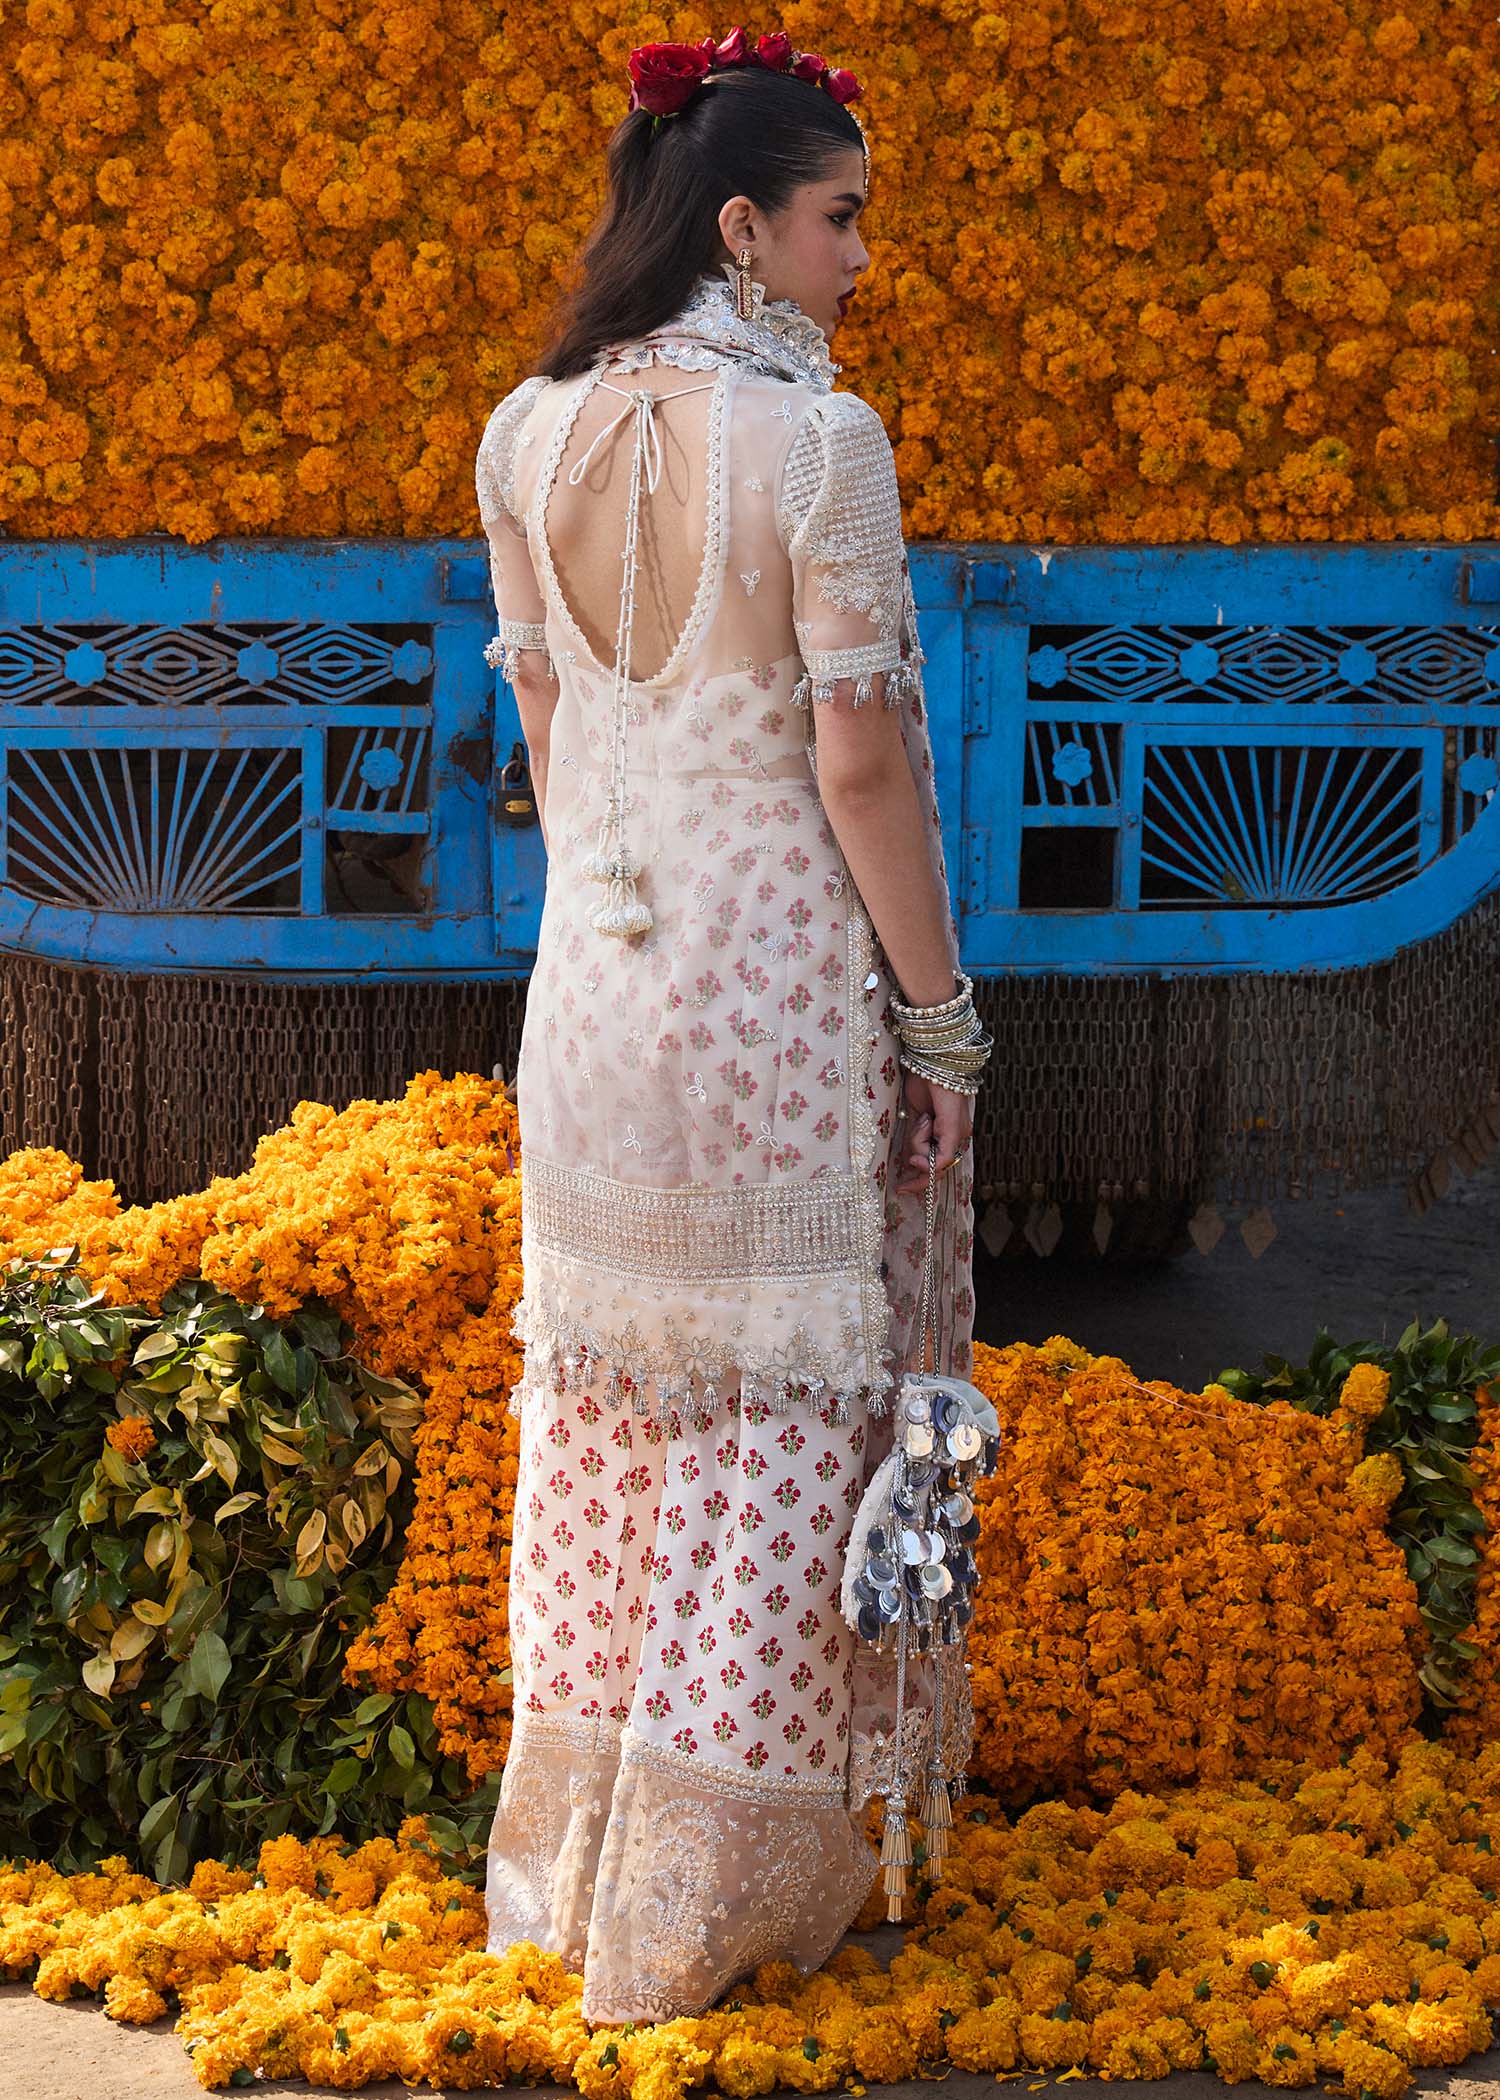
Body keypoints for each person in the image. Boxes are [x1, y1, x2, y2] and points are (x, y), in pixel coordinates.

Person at [473, 26, 993, 2027]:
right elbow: (859, 768)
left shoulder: (526, 432)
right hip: (774, 982)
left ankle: (575, 1874)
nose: (865, 256)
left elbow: (552, 748)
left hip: (595, 976)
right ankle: (692, 1916)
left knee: (606, 1408)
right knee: (781, 1427)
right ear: (747, 225)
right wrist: (936, 1021)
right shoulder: (817, 446)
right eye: (845, 217)